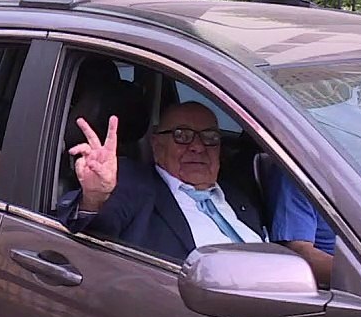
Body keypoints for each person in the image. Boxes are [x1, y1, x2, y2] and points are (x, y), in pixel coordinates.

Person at [57, 101, 265, 259]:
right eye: (182, 135)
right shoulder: (132, 182)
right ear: (157, 145)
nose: (198, 147)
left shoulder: (239, 194)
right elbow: (89, 234)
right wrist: (95, 197)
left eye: (209, 137)